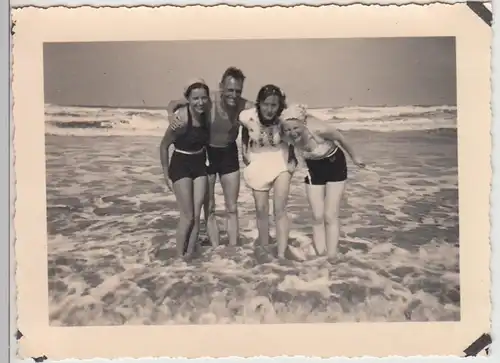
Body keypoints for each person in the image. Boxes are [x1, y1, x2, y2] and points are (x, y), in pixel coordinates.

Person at [167, 67, 253, 247]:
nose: (234, 95)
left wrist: (246, 147)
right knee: (210, 208)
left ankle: (233, 249)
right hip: (207, 154)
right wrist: (171, 117)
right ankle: (215, 250)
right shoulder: (208, 101)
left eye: (238, 91)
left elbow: (266, 113)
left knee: (232, 208)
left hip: (229, 153)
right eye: (230, 90)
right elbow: (173, 104)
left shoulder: (245, 106)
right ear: (221, 86)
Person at [279, 104, 366, 260]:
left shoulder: (318, 130)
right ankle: (320, 255)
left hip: (334, 164)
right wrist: (291, 159)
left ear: (303, 124)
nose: (292, 133)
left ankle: (332, 255)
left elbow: (340, 138)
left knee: (329, 215)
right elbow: (289, 146)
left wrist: (355, 157)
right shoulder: (285, 135)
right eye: (288, 130)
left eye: (295, 128)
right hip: (313, 169)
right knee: (317, 215)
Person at [239, 85, 298, 260]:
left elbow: (294, 135)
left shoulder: (285, 117)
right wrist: (243, 152)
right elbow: (245, 130)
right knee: (261, 209)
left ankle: (281, 252)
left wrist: (293, 157)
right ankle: (264, 248)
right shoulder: (248, 116)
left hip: (280, 159)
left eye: (274, 105)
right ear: (259, 104)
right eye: (266, 104)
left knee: (279, 208)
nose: (270, 109)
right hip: (258, 160)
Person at [159, 79, 211, 258]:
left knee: (197, 215)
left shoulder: (207, 112)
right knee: (187, 215)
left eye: (204, 98)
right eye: (195, 98)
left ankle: (189, 256)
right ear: (188, 99)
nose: (200, 102)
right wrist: (166, 174)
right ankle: (178, 257)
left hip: (199, 164)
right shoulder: (180, 119)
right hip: (181, 164)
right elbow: (164, 146)